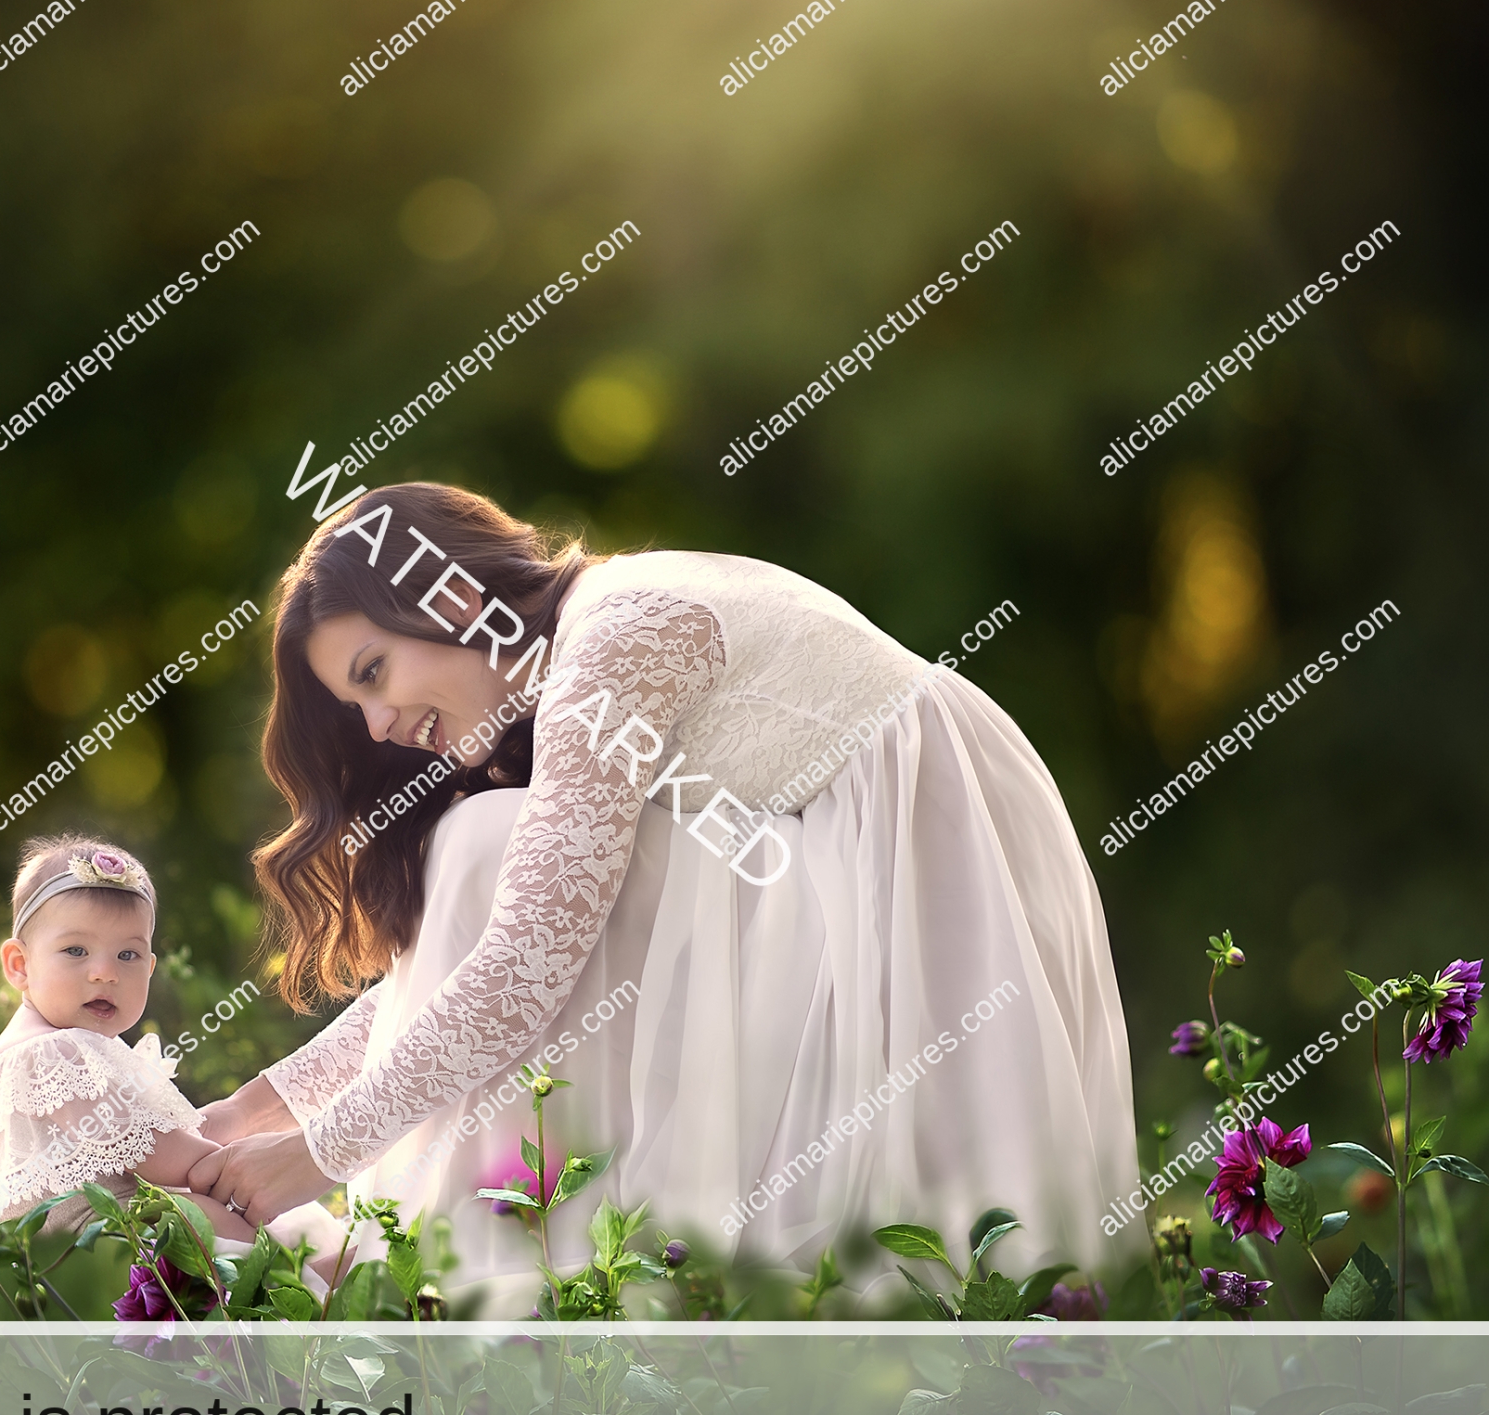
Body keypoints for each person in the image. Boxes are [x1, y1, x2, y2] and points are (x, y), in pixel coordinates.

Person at [201, 483, 1138, 1296]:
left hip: (911, 892)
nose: (379, 725)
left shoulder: (615, 638)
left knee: (488, 845)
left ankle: (451, 1281)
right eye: (356, 705)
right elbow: (480, 962)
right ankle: (482, 1260)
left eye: (374, 674)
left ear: (451, 596)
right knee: (500, 854)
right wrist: (246, 1116)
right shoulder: (582, 650)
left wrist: (314, 1158)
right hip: (839, 878)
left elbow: (523, 965)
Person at [0, 835, 344, 1272]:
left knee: (196, 1209)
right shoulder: (53, 1054)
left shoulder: (23, 1056)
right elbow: (174, 1162)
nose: (105, 973)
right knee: (196, 1211)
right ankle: (304, 1279)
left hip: (46, 1275)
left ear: (150, 968)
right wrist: (267, 1162)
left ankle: (306, 1276)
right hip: (95, 1258)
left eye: (128, 954)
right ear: (20, 964)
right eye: (76, 950)